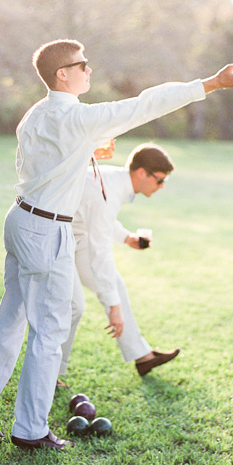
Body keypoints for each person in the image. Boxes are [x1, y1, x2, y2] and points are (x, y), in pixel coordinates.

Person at [0, 39, 233, 451]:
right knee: (50, 329)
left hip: (21, 219)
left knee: (12, 313)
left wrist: (83, 150)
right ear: (62, 74)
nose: (89, 70)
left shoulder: (36, 113)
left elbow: (48, 160)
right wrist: (210, 84)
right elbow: (145, 104)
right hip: (47, 230)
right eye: (81, 65)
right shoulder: (79, 119)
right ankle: (29, 430)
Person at [58, 143, 180, 385]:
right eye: (159, 180)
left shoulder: (116, 183)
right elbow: (100, 252)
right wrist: (113, 308)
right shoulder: (109, 190)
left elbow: (99, 219)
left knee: (115, 284)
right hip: (57, 237)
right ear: (141, 173)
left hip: (78, 235)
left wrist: (126, 237)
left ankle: (142, 356)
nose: (161, 186)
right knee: (74, 306)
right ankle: (51, 373)